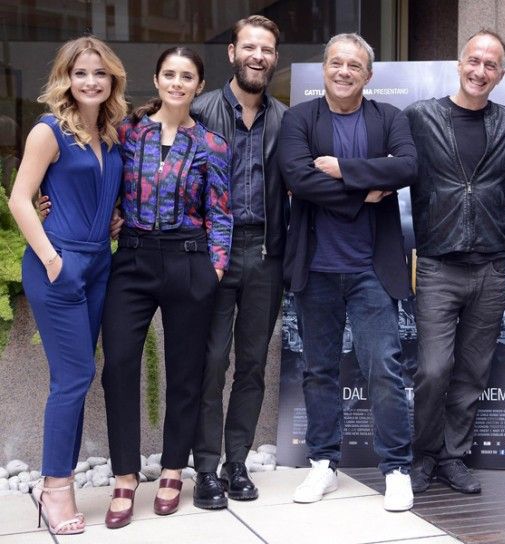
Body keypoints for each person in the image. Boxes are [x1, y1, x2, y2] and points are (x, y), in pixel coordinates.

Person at [279, 33, 417, 512]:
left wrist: (342, 170)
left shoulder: (390, 118)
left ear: (368, 75)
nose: (343, 72)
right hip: (316, 267)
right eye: (336, 63)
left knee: (384, 369)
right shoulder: (299, 119)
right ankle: (324, 463)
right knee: (318, 372)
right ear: (324, 69)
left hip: (371, 270)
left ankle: (396, 468)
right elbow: (298, 177)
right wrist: (365, 188)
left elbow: (408, 167)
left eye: (354, 66)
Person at [101, 46, 232, 529]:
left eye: (187, 76)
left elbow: (221, 213)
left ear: (199, 86)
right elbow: (101, 187)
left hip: (188, 261)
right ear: (156, 80)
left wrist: (214, 270)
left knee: (185, 372)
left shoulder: (213, 144)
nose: (177, 83)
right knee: (118, 365)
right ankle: (125, 474)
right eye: (170, 74)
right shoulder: (126, 133)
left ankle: (174, 469)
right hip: (133, 260)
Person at [8, 36, 126, 535]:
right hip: (58, 264)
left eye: (100, 73)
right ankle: (54, 487)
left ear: (112, 79)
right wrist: (52, 259)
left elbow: (97, 191)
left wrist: (111, 219)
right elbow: (19, 199)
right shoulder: (49, 129)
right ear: (66, 78)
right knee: (73, 377)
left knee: (78, 376)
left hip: (99, 263)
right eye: (81, 73)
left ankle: (61, 479)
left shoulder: (111, 133)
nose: (91, 81)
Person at [404, 29, 505, 494]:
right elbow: (392, 166)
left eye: (491, 64)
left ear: (501, 74)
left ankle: (453, 457)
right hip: (438, 264)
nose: (480, 70)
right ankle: (424, 455)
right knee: (433, 369)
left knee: (472, 372)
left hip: (492, 266)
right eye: (474, 60)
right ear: (459, 63)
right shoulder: (420, 116)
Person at [189, 15, 288, 509]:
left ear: (274, 58)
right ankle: (205, 469)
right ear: (232, 52)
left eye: (266, 49)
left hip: (266, 255)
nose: (257, 56)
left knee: (252, 366)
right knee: (210, 363)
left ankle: (236, 463)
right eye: (249, 47)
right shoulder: (201, 111)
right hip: (212, 253)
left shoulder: (287, 120)